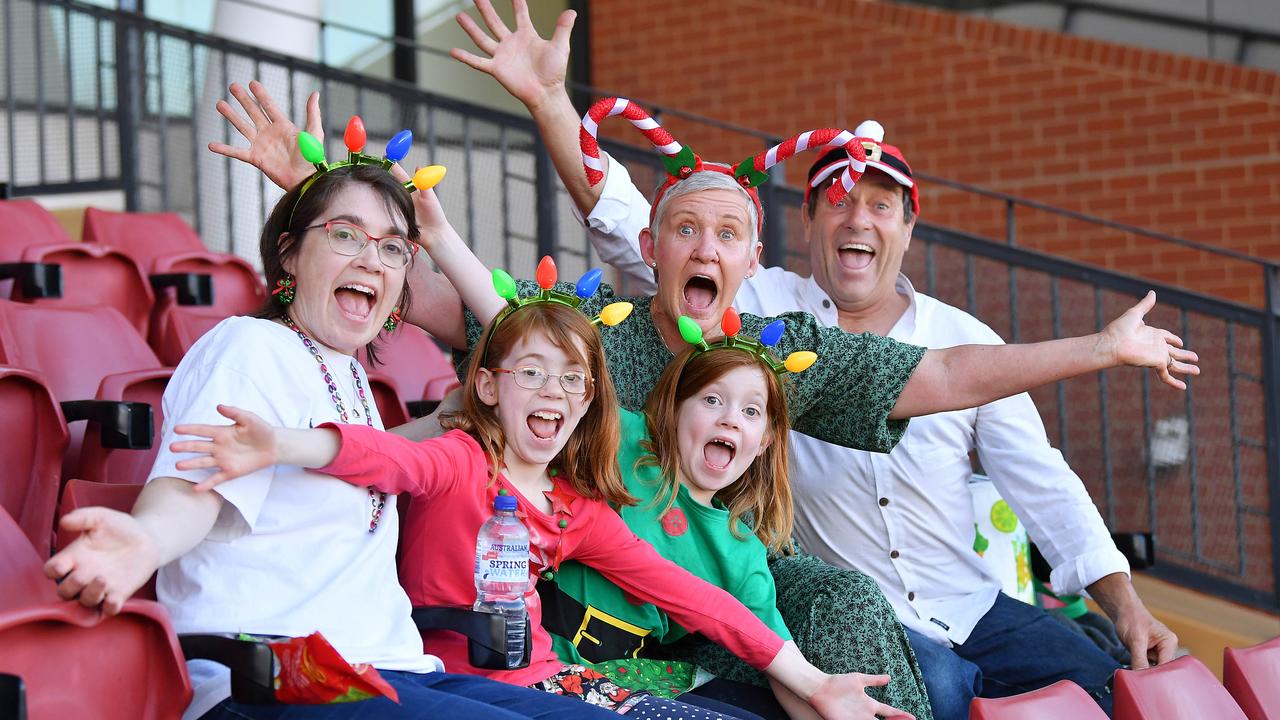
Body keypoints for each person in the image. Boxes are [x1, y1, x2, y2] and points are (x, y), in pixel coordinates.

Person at [460, 6, 1184, 715]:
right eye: (836, 200)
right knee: (937, 685)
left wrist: (1127, 606)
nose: (858, 217)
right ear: (805, 223)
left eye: (880, 203)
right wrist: (552, 102)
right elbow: (640, 219)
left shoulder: (914, 337)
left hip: (971, 604)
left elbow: (1030, 468)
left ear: (907, 223)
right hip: (819, 602)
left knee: (1102, 683)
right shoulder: (762, 308)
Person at [165, 253, 918, 720]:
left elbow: (702, 601)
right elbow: (381, 459)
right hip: (464, 674)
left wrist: (813, 682)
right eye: (531, 375)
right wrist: (278, 444)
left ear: (590, 402)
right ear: (488, 387)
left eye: (573, 381)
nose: (553, 393)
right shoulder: (462, 459)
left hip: (555, 681)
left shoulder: (575, 510)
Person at [42, 145, 626, 720]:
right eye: (346, 234)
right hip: (273, 676)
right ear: (289, 255)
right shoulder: (249, 347)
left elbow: (352, 457)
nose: (372, 260)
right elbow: (195, 486)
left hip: (386, 666)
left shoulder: (344, 371)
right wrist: (144, 541)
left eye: (393, 247)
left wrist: (442, 421)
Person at [542, 313, 932, 720]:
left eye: (751, 411)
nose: (730, 417)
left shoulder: (741, 552)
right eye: (712, 400)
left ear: (764, 440)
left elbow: (778, 662)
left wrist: (826, 703)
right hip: (529, 641)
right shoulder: (624, 441)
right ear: (674, 410)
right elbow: (532, 344)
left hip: (610, 683)